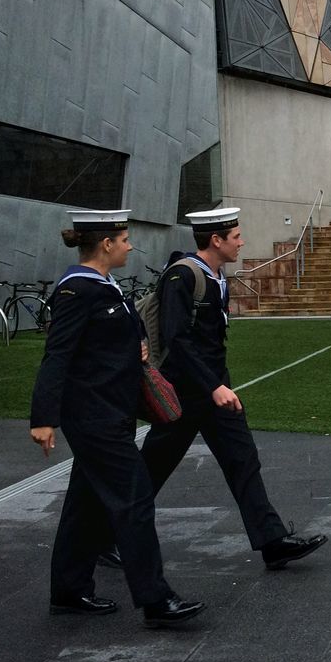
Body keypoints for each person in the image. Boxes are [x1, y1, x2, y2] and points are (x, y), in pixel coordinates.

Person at [30, 210, 204, 628]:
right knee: (135, 498)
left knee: (85, 503)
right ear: (106, 244)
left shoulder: (106, 286)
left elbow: (122, 335)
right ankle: (156, 600)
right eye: (124, 239)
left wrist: (139, 345)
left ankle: (69, 590)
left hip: (114, 410)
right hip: (93, 416)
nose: (129, 245)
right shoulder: (76, 291)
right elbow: (57, 356)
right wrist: (43, 418)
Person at [140, 208, 327, 568]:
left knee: (243, 460)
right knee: (151, 468)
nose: (242, 242)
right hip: (185, 392)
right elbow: (177, 341)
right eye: (236, 236)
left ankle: (272, 541)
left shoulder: (218, 276)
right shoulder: (182, 277)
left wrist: (218, 385)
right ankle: (102, 535)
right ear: (216, 240)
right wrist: (213, 386)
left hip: (214, 391)